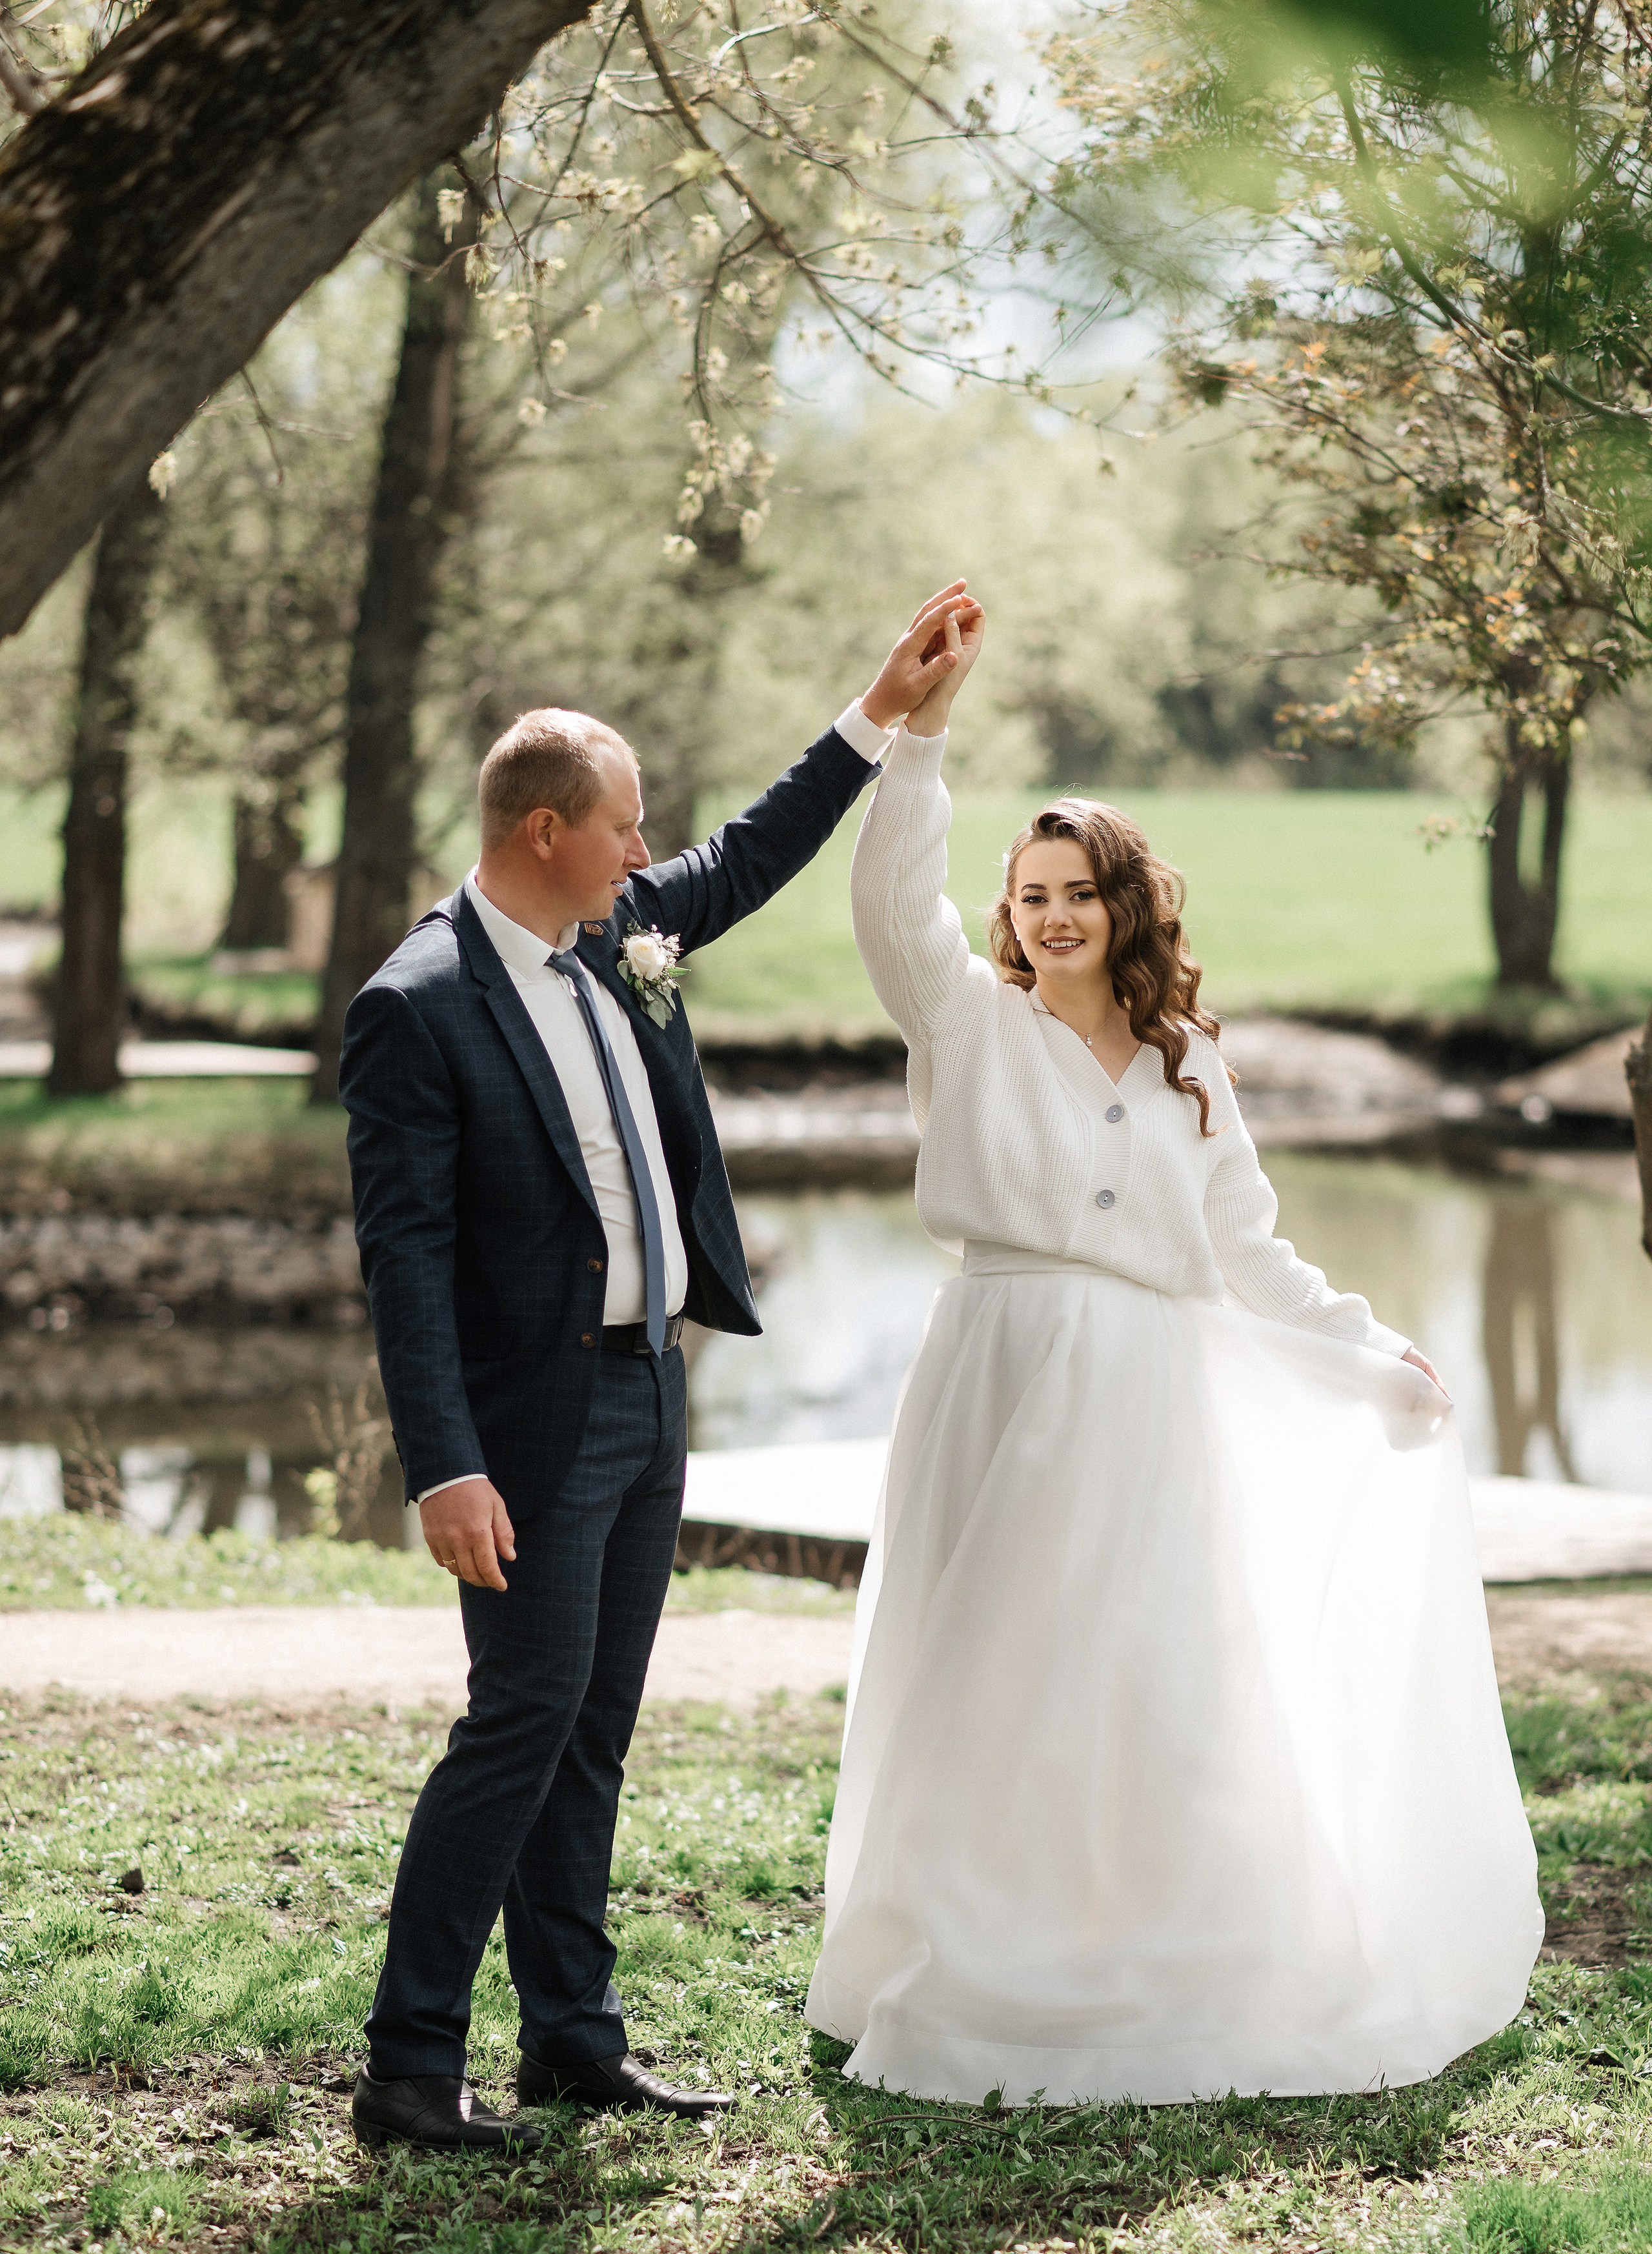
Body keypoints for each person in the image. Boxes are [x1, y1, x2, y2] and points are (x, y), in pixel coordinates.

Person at [805, 599, 1543, 2108]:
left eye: (1077, 890)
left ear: (1123, 906)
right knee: (992, 1665)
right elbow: (891, 904)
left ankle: (1159, 1936)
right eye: (1029, 894)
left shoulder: (1184, 1065)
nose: (1051, 915)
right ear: (1004, 913)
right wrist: (917, 743)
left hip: (1148, 1401)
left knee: (1148, 1666)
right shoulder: (962, 1021)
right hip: (1000, 1376)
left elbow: (1247, 1251)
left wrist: (1367, 1346)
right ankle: (972, 1940)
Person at [341, 585, 974, 2153]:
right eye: (622, 828)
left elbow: (748, 851)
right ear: (546, 826)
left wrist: (874, 710)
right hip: (528, 1420)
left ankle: (570, 2040)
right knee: (518, 1721)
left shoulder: (615, 935)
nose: (644, 853)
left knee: (593, 1727)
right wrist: (445, 1460)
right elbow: (403, 1258)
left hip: (650, 1392)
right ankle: (408, 2064)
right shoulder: (412, 1009)